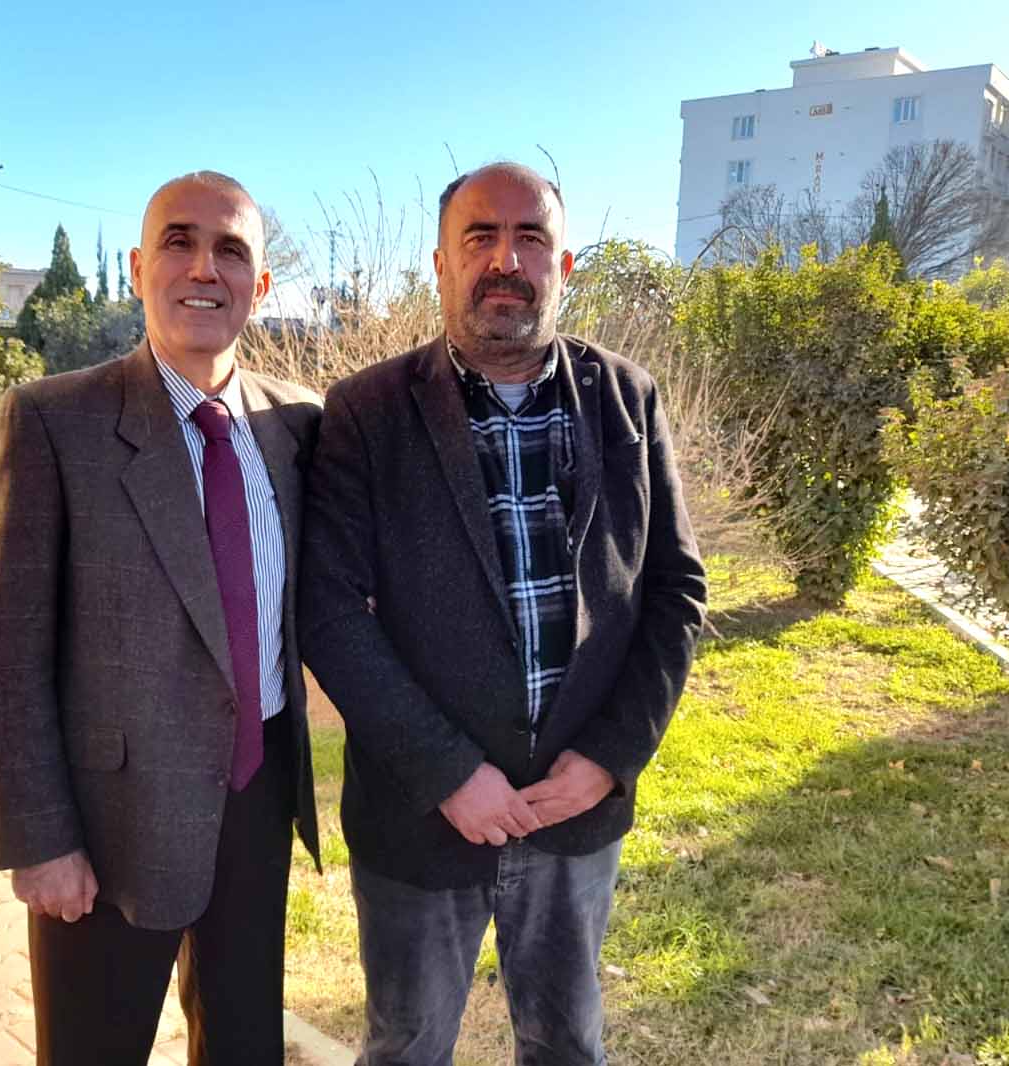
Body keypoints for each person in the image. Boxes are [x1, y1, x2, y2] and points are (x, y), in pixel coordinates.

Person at [300, 162, 708, 1065]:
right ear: (441, 263)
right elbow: (327, 610)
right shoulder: (368, 411)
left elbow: (675, 590)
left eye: (530, 238)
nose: (505, 260)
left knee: (567, 1044)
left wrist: (609, 758)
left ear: (562, 264)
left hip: (575, 811)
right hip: (422, 817)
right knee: (406, 1047)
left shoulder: (627, 398)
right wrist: (449, 772)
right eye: (480, 236)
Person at [0, 170, 321, 1066]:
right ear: (137, 268)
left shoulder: (297, 424)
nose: (204, 268)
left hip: (256, 800)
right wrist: (40, 840)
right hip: (110, 824)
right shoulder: (54, 421)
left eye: (231, 251)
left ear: (260, 285)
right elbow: (9, 651)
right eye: (179, 242)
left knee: (245, 1047)